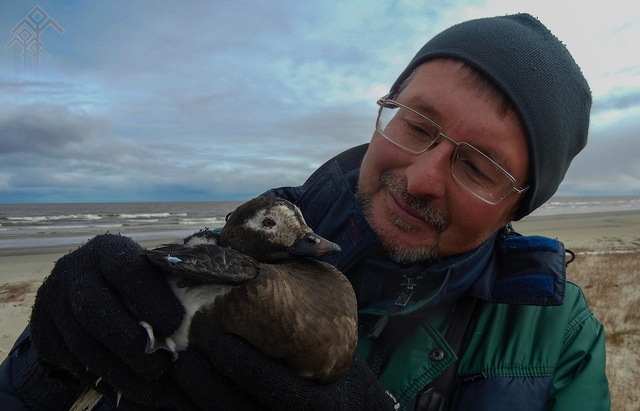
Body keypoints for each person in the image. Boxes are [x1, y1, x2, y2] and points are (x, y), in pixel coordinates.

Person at [0, 13, 610, 411]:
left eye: (478, 168)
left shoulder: (560, 337)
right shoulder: (224, 254)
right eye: (417, 124)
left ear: (518, 208)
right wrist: (46, 365)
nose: (422, 177)